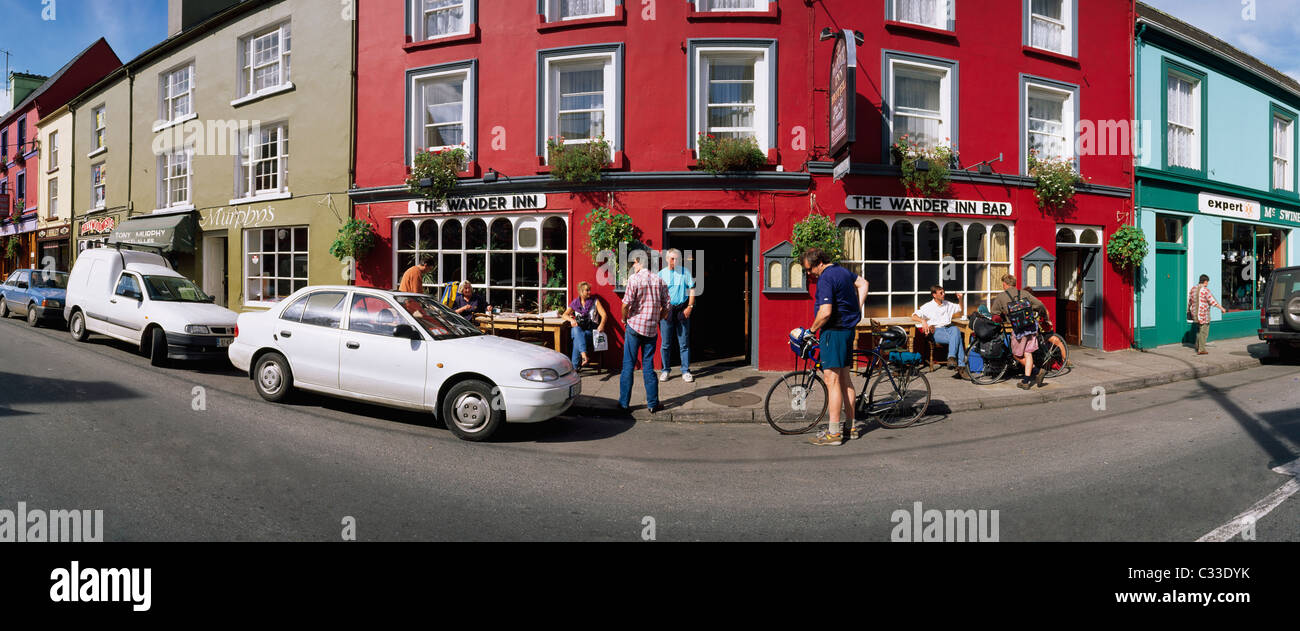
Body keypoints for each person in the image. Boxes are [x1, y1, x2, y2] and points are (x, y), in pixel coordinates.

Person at [803, 248, 869, 446]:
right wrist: (856, 309)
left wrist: (811, 330)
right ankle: (851, 427)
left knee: (832, 381)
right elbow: (863, 283)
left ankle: (833, 433)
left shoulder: (825, 278)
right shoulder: (843, 271)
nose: (809, 273)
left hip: (833, 332)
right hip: (848, 331)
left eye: (809, 269)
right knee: (845, 380)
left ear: (820, 263)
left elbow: (825, 312)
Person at [619, 254, 669, 414]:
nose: (633, 265)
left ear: (640, 262)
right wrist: (657, 319)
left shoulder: (634, 279)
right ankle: (653, 404)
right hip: (651, 329)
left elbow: (625, 304)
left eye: (634, 262)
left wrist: (623, 318)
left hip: (634, 327)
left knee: (628, 365)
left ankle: (624, 404)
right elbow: (667, 307)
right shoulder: (659, 280)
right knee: (648, 366)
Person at [991, 274, 1049, 390]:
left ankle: (1037, 371)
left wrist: (1000, 319)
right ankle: (1026, 381)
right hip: (1031, 327)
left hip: (1018, 330)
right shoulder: (1024, 293)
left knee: (1017, 355)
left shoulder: (1001, 296)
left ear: (1005, 284)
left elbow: (994, 313)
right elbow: (1040, 305)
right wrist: (1044, 317)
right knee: (1028, 353)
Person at [912, 285, 970, 380]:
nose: (944, 294)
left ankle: (951, 358)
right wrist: (923, 321)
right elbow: (914, 316)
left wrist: (960, 299)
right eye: (941, 293)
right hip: (936, 330)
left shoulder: (947, 304)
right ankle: (961, 368)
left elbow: (960, 308)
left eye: (944, 292)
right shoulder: (928, 306)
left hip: (949, 329)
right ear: (934, 295)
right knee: (958, 338)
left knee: (955, 329)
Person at [658, 249, 696, 383]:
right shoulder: (661, 274)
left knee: (684, 343)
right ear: (667, 259)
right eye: (673, 258)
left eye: (677, 258)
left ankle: (685, 371)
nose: (675, 261)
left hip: (682, 310)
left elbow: (692, 288)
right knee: (666, 344)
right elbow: (657, 294)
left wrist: (690, 307)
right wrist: (662, 309)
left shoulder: (685, 272)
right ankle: (665, 370)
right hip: (667, 310)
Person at [564, 281, 608, 369]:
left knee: (577, 338)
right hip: (579, 330)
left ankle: (575, 367)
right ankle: (584, 355)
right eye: (587, 290)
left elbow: (604, 315)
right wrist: (571, 320)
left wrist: (602, 324)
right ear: (581, 292)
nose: (589, 292)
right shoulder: (575, 303)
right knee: (577, 330)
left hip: (590, 332)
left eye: (589, 290)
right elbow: (564, 314)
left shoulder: (595, 301)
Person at [1188, 274, 1224, 355]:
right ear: (1205, 281)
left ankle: (1197, 345)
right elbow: (1212, 301)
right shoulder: (1205, 290)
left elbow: (1189, 302)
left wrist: (1188, 311)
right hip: (1203, 314)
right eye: (1207, 282)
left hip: (1195, 313)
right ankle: (1201, 349)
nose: (1207, 284)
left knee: (1199, 330)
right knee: (1204, 331)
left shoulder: (1193, 289)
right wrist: (1222, 308)